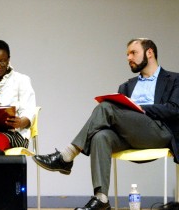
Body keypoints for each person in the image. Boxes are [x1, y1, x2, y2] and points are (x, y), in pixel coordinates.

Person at [33, 38, 179, 210]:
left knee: (106, 107)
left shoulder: (173, 79)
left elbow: (174, 109)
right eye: (127, 54)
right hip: (131, 135)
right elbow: (120, 120)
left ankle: (67, 156)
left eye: (133, 53)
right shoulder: (126, 86)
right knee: (100, 136)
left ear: (149, 53)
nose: (128, 58)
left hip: (158, 132)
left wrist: (141, 108)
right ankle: (101, 199)